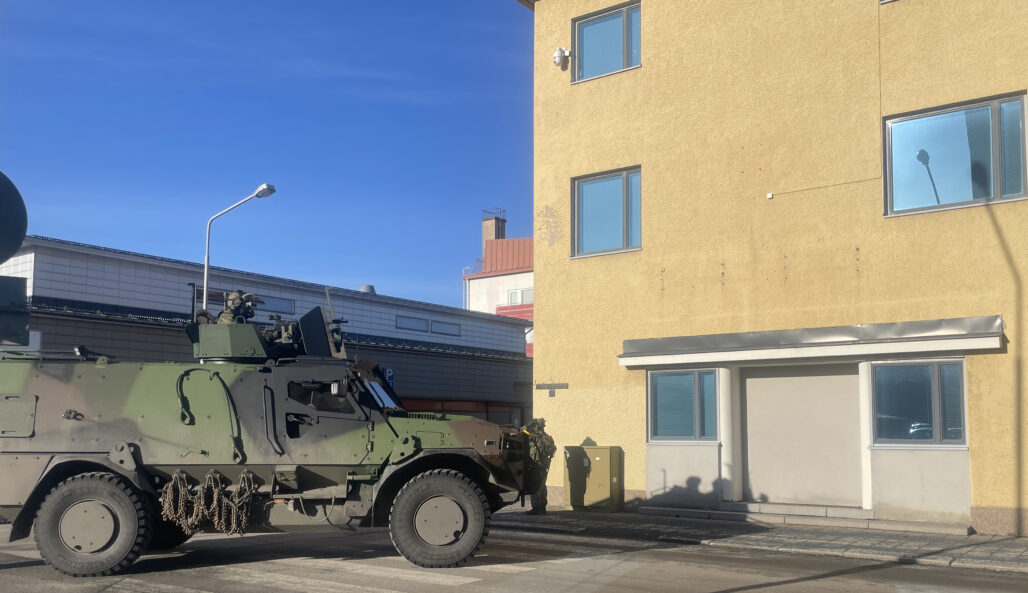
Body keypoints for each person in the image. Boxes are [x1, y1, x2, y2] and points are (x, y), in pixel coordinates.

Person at [522, 417, 556, 515]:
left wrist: (528, 425)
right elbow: (552, 451)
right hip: (544, 465)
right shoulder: (547, 438)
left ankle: (536, 508)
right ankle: (542, 507)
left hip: (535, 464)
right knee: (542, 485)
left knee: (535, 485)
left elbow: (522, 430)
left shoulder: (533, 436)